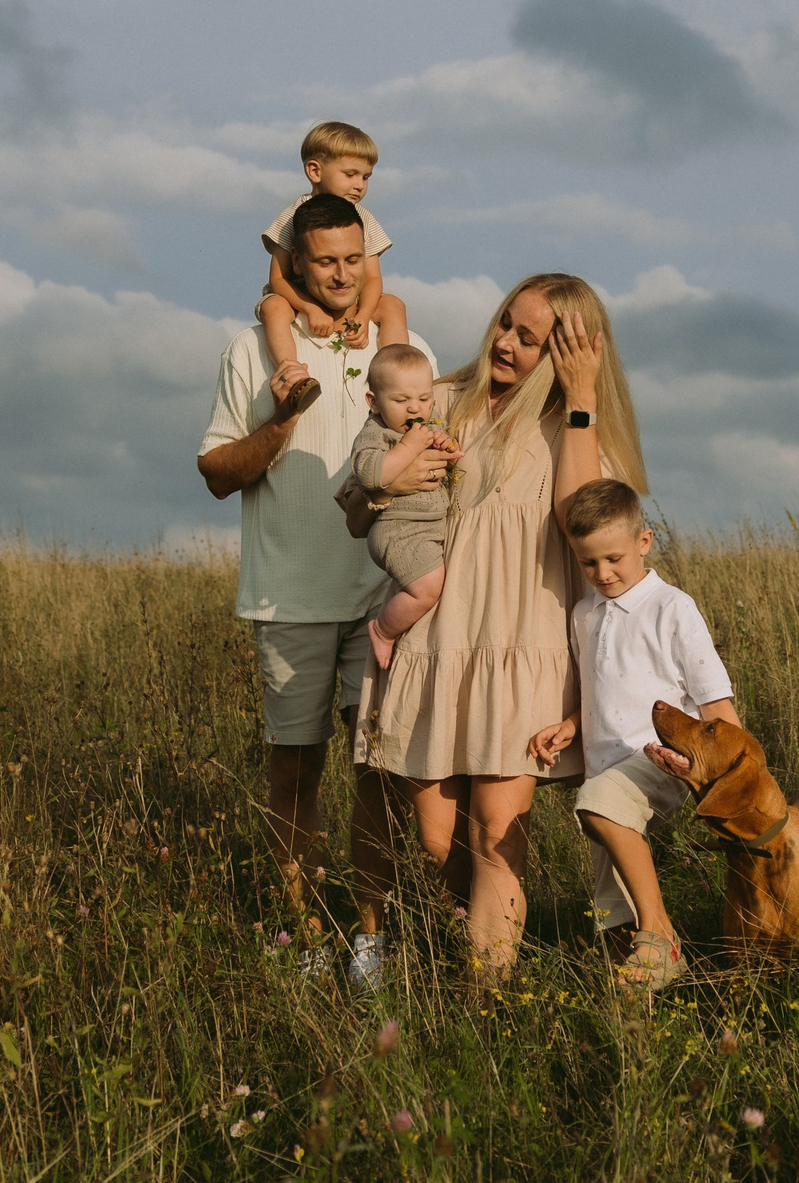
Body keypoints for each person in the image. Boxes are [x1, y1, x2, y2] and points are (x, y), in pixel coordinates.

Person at [356, 272, 646, 979]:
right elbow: (357, 508)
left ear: (567, 353)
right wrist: (387, 483)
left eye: (530, 336)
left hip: (525, 646)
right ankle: (454, 947)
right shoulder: (441, 402)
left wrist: (579, 401)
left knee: (495, 833)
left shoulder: (579, 433)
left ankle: (485, 1003)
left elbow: (581, 520)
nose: (506, 342)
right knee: (435, 838)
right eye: (505, 324)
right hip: (435, 640)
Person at [198, 191, 444, 989]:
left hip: (384, 599)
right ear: (296, 263)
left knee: (377, 774)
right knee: (295, 777)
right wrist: (281, 423)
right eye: (324, 261)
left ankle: (370, 937)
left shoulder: (407, 353)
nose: (340, 275)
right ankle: (302, 932)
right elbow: (214, 473)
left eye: (352, 258)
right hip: (290, 600)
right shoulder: (254, 348)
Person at [525, 478, 738, 990]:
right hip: (604, 766)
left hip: (661, 759)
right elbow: (601, 688)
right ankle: (638, 990)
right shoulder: (584, 614)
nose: (602, 573)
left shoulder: (672, 608)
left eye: (614, 558)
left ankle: (661, 934)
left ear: (644, 541)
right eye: (587, 563)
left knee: (596, 804)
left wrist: (720, 775)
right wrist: (570, 726)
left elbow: (716, 705)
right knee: (611, 902)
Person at [257, 121, 410, 398]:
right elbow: (278, 278)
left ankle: (399, 377)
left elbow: (373, 278)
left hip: (350, 304)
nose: (359, 186)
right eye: (350, 174)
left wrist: (363, 317)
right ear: (314, 171)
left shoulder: (363, 218)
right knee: (274, 308)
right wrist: (309, 309)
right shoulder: (292, 216)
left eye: (366, 177)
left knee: (392, 305)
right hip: (297, 299)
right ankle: (292, 375)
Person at [348, 343, 457, 670]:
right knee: (427, 589)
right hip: (399, 531)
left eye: (424, 399)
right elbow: (370, 475)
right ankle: (382, 630)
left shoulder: (425, 426)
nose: (414, 409)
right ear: (374, 402)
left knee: (421, 586)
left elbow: (444, 460)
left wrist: (446, 448)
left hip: (425, 529)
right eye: (400, 401)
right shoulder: (376, 433)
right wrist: (409, 447)